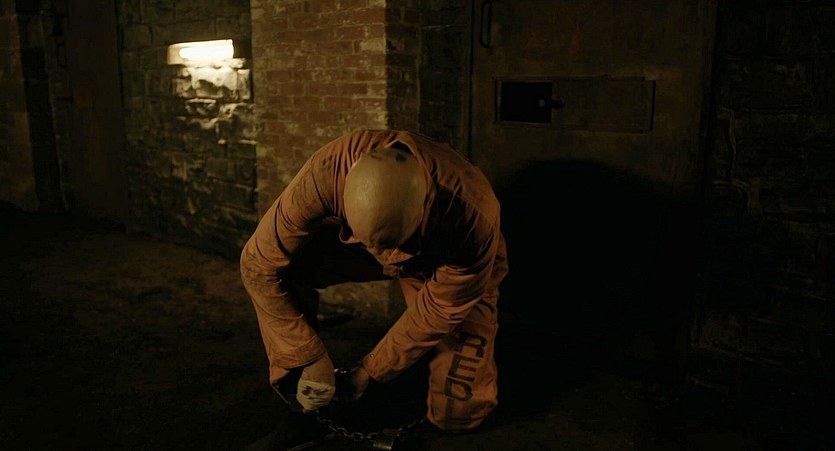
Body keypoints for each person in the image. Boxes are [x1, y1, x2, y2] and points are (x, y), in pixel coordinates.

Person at [240, 129, 509, 449]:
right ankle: (305, 412)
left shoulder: (473, 218)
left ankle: (438, 395)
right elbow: (258, 263)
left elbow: (439, 309)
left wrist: (371, 369)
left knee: (458, 412)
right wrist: (308, 356)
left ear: (424, 208)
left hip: (440, 264)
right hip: (363, 247)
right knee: (288, 267)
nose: (387, 255)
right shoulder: (326, 172)